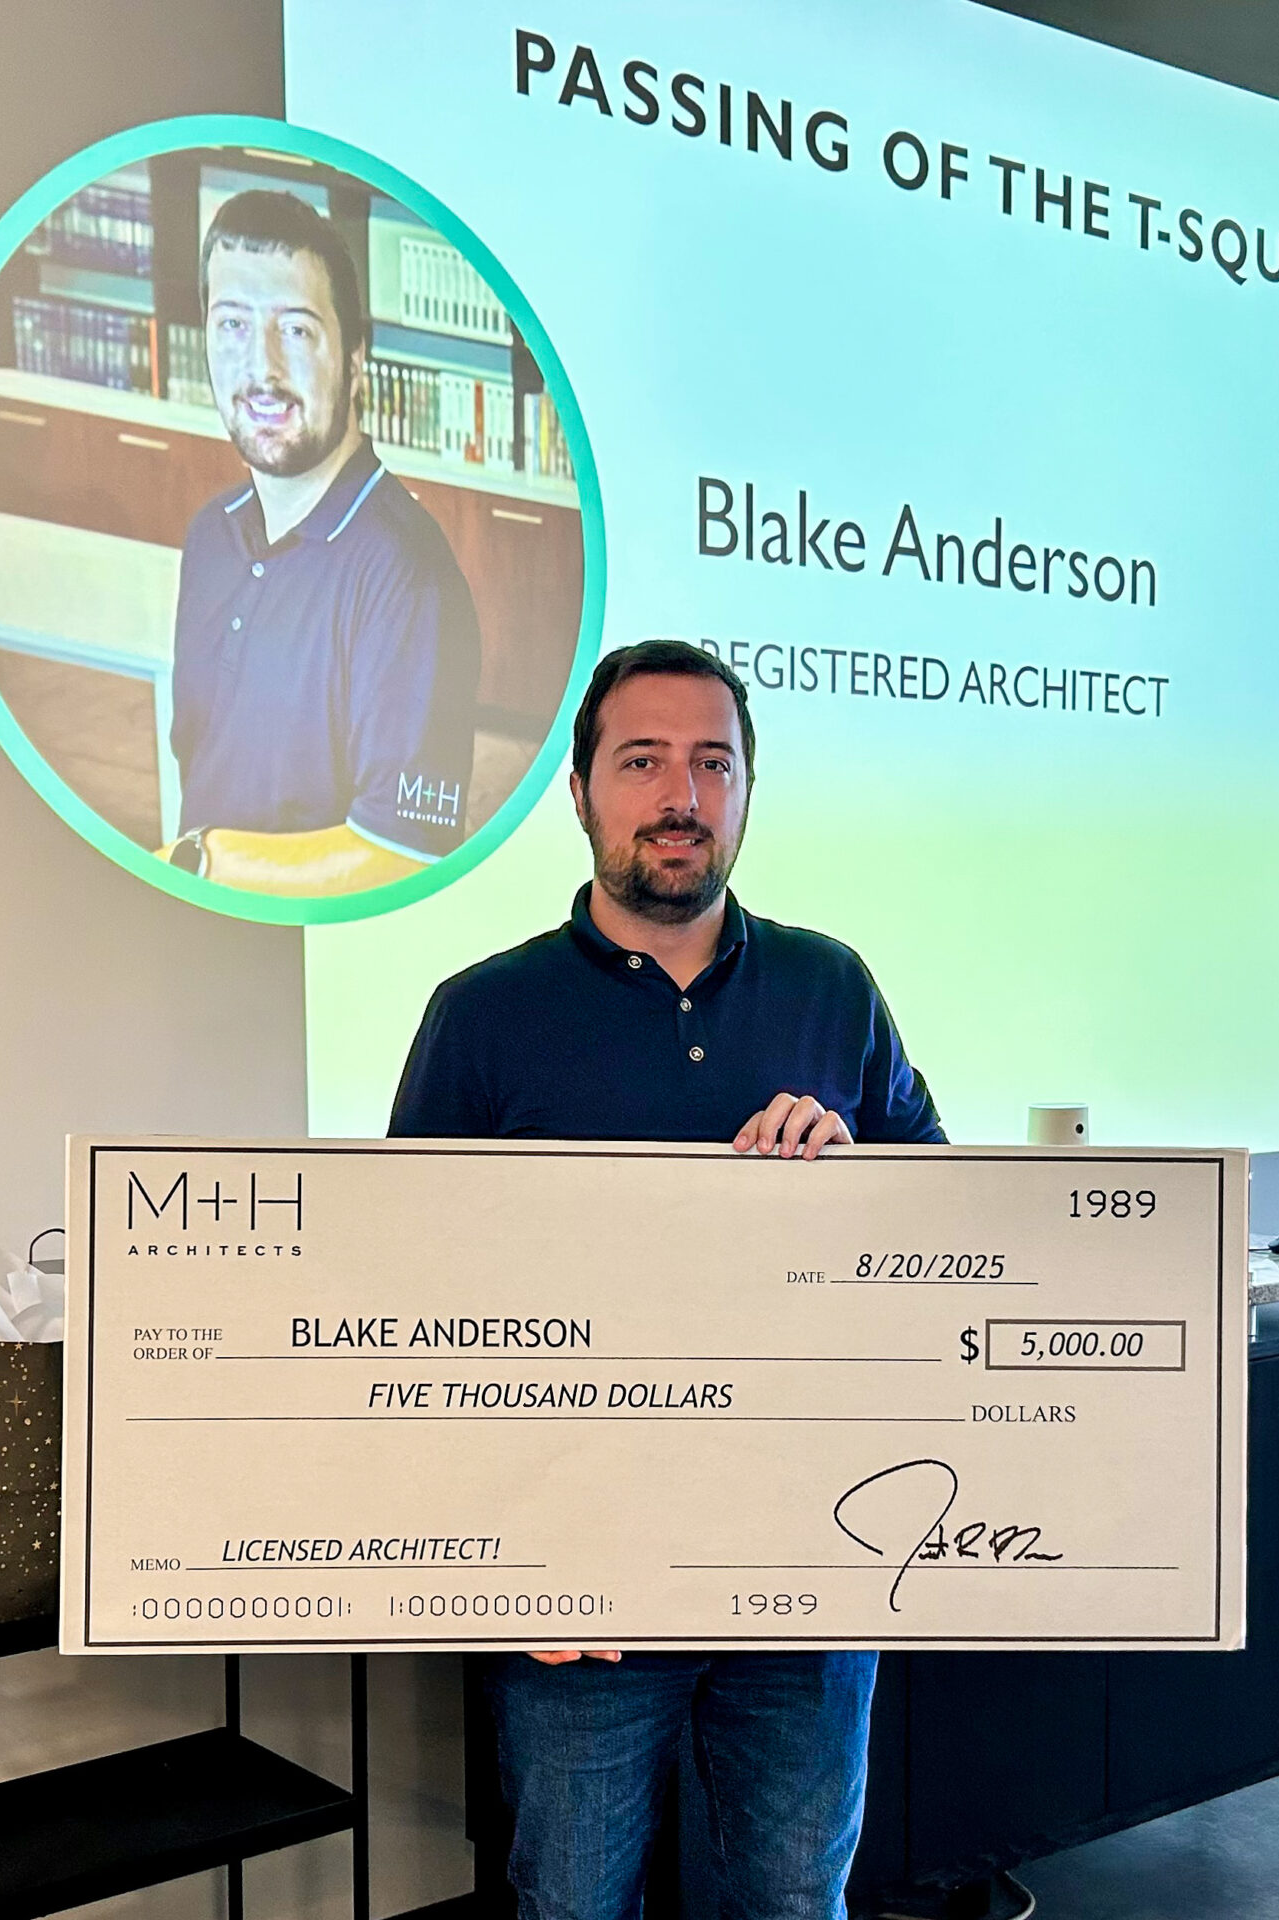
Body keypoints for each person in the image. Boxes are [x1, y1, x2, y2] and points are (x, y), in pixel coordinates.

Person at [389, 639, 946, 1920]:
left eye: (712, 762)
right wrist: (492, 1561)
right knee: (573, 1906)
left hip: (811, 1557)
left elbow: (946, 1234)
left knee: (794, 1903)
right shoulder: (481, 1015)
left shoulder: (834, 986)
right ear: (580, 791)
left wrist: (852, 1167)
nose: (679, 794)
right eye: (641, 761)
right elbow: (409, 1311)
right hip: (580, 1576)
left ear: (748, 790)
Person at [166, 187, 481, 896]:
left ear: (357, 359)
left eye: (298, 330)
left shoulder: (407, 574)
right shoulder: (210, 535)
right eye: (233, 325)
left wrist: (199, 863)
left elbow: (404, 857)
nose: (262, 368)